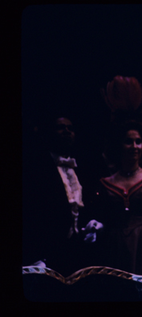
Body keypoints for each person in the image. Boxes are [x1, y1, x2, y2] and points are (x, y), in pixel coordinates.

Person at [90, 75, 142, 277]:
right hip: (115, 245)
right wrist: (96, 227)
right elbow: (105, 219)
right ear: (119, 145)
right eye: (129, 141)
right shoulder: (107, 183)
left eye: (138, 141)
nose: (134, 146)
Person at [22, 113, 97, 276]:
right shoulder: (36, 169)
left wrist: (93, 224)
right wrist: (36, 256)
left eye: (70, 128)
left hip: (78, 250)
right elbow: (31, 214)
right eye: (60, 128)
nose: (66, 131)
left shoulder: (81, 168)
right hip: (49, 251)